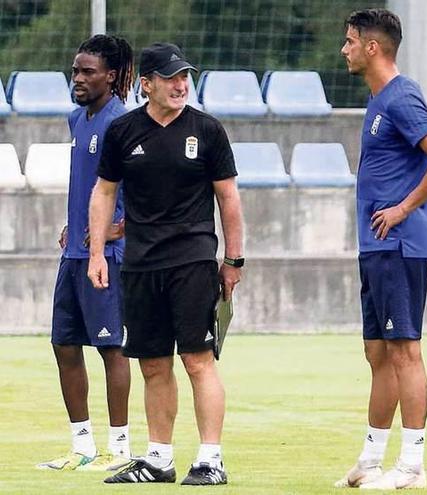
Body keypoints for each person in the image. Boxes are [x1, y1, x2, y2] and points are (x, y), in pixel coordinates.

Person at [87, 42, 244, 486]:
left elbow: (228, 197)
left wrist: (233, 259)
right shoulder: (123, 132)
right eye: (171, 78)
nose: (180, 85)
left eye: (185, 77)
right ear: (146, 84)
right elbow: (104, 192)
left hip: (192, 262)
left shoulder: (207, 130)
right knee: (153, 363)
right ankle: (158, 459)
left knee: (197, 360)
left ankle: (211, 459)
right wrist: (97, 253)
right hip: (139, 264)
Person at [334, 8, 427, 490]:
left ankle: (412, 466)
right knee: (378, 352)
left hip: (399, 244)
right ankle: (370, 459)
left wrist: (403, 208)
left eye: (349, 41)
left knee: (405, 350)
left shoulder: (402, 97)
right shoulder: (378, 100)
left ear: (372, 47)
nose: (344, 50)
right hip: (376, 246)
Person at [37, 34, 134, 472]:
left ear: (110, 76)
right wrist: (72, 224)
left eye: (87, 71)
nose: (77, 78)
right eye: (75, 70)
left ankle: (120, 448)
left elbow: (145, 189)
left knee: (111, 348)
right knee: (63, 344)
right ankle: (83, 446)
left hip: (108, 257)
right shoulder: (76, 120)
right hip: (74, 254)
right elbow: (87, 186)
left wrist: (122, 227)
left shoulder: (124, 123)